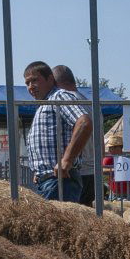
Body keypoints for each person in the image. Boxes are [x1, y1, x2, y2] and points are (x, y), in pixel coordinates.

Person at [23, 61, 91, 203]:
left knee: (59, 225)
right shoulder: (46, 103)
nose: (30, 87)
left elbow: (84, 122)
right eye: (27, 83)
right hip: (50, 181)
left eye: (35, 80)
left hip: (61, 181)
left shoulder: (59, 97)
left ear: (50, 79)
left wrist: (66, 160)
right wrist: (39, 172)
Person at [48, 64, 98, 205]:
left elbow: (82, 124)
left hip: (72, 171)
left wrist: (66, 161)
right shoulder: (91, 104)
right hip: (92, 171)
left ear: (55, 83)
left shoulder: (61, 101)